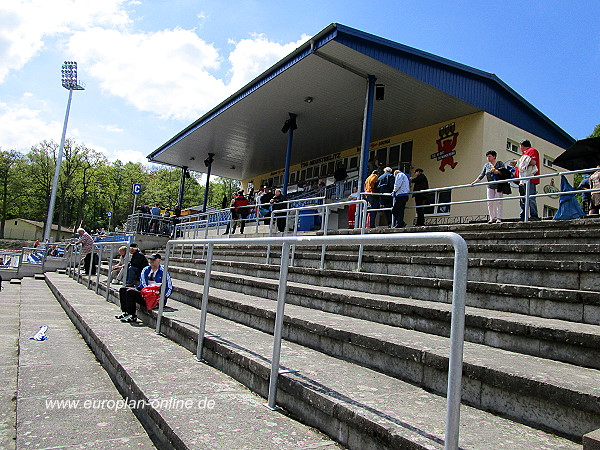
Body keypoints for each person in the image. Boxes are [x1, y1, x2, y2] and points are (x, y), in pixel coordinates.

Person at [116, 253, 172, 323]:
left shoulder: (164, 272)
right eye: (150, 259)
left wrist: (163, 297)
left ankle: (132, 315)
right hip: (146, 294)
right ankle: (126, 312)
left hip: (156, 298)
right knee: (123, 290)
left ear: (159, 260)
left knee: (130, 292)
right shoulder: (146, 269)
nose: (152, 261)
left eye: (154, 259)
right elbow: (143, 283)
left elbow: (169, 287)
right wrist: (148, 291)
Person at [471, 151, 507, 223]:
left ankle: (499, 217)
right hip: (490, 185)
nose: (488, 158)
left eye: (489, 156)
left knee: (499, 201)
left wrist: (497, 172)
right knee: (489, 202)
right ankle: (492, 217)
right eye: (487, 156)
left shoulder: (500, 163)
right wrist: (475, 182)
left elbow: (504, 172)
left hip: (498, 184)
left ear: (494, 156)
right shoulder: (487, 165)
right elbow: (482, 174)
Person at [514, 140, 541, 221]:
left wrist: (522, 162)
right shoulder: (525, 153)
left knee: (530, 198)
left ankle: (534, 216)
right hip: (522, 180)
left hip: (529, 179)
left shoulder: (532, 151)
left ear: (522, 145)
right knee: (523, 198)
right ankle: (523, 216)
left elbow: (533, 162)